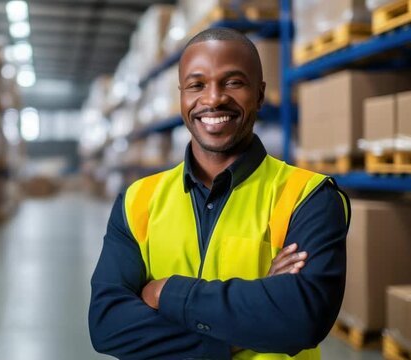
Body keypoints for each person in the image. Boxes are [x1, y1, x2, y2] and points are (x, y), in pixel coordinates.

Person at [88, 27, 350, 360]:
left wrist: (165, 292)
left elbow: (301, 320)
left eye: (233, 82)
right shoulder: (137, 201)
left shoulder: (308, 197)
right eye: (197, 85)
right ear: (181, 96)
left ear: (259, 94)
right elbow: (107, 324)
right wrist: (243, 327)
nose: (213, 99)